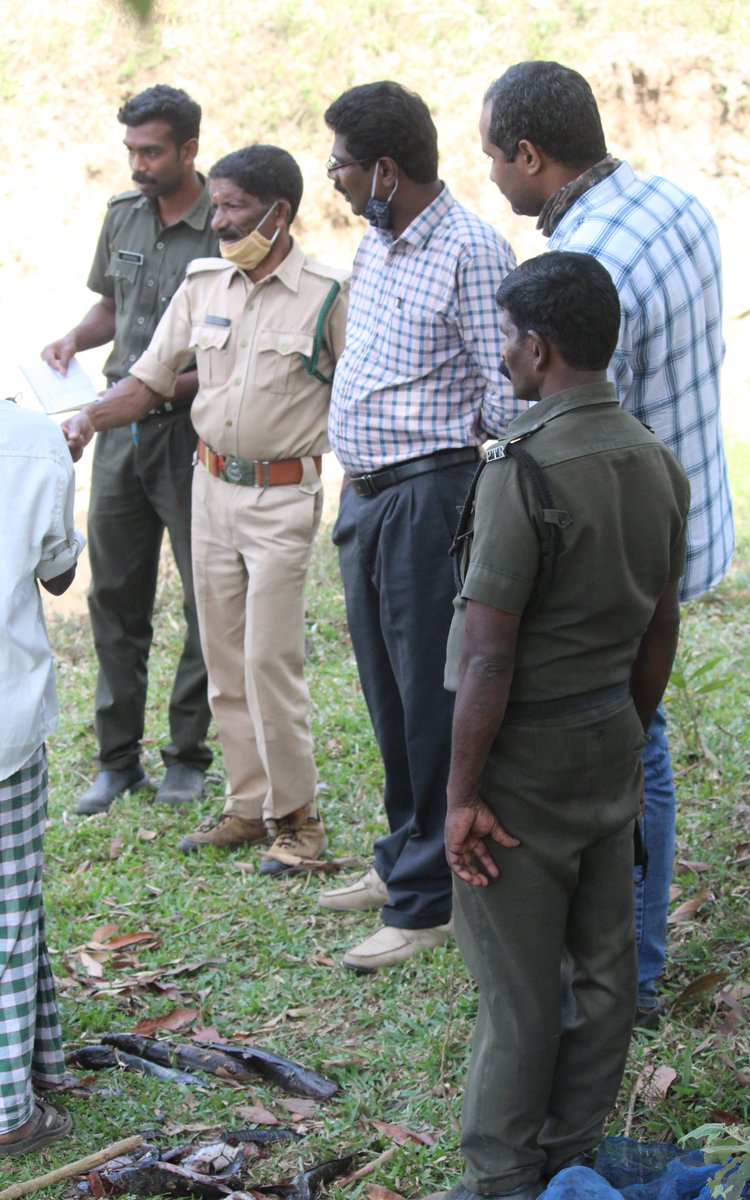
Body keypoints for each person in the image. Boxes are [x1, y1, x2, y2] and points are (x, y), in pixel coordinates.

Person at [479, 60, 734, 1023]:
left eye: (494, 155)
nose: (491, 175)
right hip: (686, 511)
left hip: (622, 543)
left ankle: (628, 973)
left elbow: (576, 432)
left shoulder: (584, 273)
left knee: (631, 740)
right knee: (639, 730)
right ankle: (624, 960)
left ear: (532, 155)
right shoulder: (673, 200)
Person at [433, 252, 690, 1200]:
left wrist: (462, 797)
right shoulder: (657, 459)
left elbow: (488, 656)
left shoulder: (525, 467)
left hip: (522, 762)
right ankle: (571, 1158)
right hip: (609, 741)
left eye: (508, 339)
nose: (504, 357)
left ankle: (499, 1183)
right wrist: (625, 727)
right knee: (605, 972)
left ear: (537, 351)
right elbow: (660, 626)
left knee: (518, 992)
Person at [64, 144, 349, 875]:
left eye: (232, 208)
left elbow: (355, 398)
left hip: (284, 497)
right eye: (216, 205)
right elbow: (149, 378)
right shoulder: (204, 285)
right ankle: (248, 806)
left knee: (268, 661)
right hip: (211, 488)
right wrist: (88, 419)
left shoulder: (325, 294)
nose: (217, 220)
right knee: (224, 657)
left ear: (278, 213)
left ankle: (300, 820)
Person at [319, 81, 523, 971]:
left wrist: (445, 469)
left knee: (427, 703)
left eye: (341, 164)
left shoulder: (473, 250)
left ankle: (427, 899)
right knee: (386, 690)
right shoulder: (379, 243)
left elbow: (509, 389)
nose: (332, 176)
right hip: (366, 497)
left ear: (385, 169)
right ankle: (401, 854)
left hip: (426, 498)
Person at [42, 85, 218, 815]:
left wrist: (152, 392)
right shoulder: (123, 214)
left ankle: (188, 756)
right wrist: (74, 338)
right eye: (131, 152)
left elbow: (226, 352)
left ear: (188, 150)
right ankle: (117, 762)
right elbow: (111, 306)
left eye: (151, 151)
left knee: (205, 598)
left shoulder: (224, 224)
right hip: (119, 433)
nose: (139, 164)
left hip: (191, 431)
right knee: (115, 598)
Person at [0, 398, 84, 1157]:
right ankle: (8, 1110)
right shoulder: (29, 437)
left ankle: (36, 1063)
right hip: (4, 728)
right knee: (9, 911)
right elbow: (59, 573)